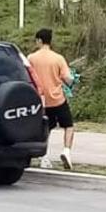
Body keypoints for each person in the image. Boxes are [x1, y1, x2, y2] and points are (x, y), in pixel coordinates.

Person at [28, 28, 77, 170]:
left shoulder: (31, 58)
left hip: (39, 99)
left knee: (46, 127)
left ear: (39, 40)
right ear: (50, 41)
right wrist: (73, 81)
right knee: (68, 125)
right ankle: (66, 151)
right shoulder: (58, 58)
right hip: (57, 99)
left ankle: (44, 157)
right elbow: (68, 79)